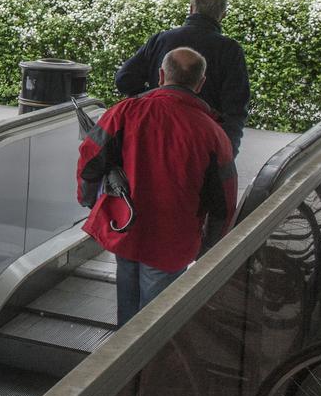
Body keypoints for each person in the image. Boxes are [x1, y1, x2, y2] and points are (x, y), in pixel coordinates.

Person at [77, 47, 236, 326]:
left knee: (127, 304)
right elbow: (224, 200)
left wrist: (89, 200)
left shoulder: (125, 112)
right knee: (154, 321)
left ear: (162, 76)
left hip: (124, 227)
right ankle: (145, 365)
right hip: (173, 242)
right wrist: (210, 246)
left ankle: (119, 361)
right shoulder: (213, 133)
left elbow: (91, 160)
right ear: (200, 83)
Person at [114, 0, 249, 155]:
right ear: (223, 15)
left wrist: (151, 97)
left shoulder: (160, 40)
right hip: (203, 144)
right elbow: (235, 107)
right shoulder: (230, 50)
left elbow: (124, 80)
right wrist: (227, 151)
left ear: (191, 9)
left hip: (155, 135)